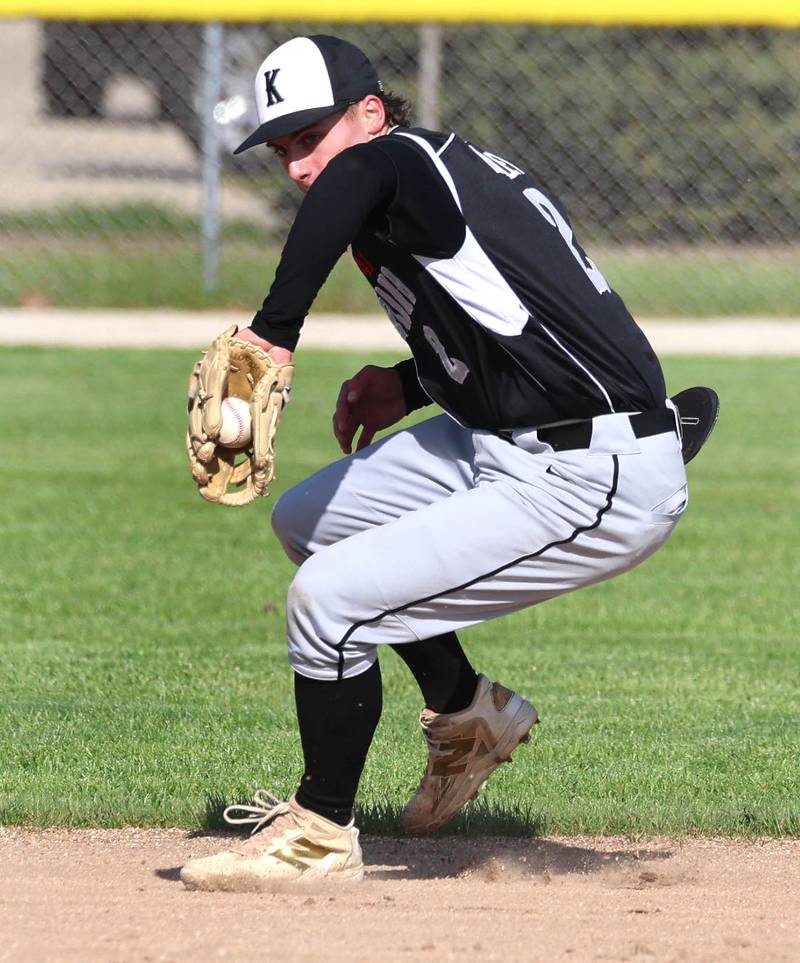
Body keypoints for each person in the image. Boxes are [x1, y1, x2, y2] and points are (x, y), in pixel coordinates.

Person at [180, 34, 688, 891]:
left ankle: (319, 833)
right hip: (508, 433)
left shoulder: (405, 162)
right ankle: (468, 713)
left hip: (591, 473)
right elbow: (520, 326)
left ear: (371, 114)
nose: (299, 167)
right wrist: (408, 383)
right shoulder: (428, 188)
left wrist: (272, 333)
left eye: (310, 138)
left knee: (328, 604)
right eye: (282, 150)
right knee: (308, 523)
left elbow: (360, 174)